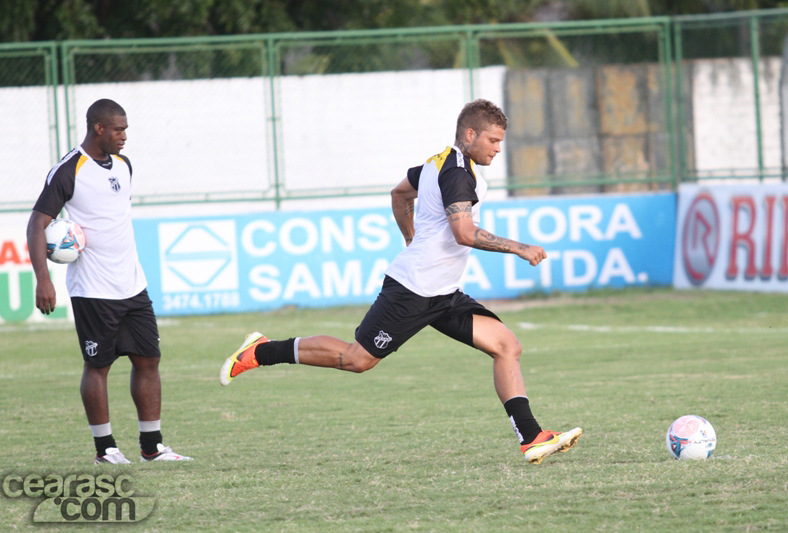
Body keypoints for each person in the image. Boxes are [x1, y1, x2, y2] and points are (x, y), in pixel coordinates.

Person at [220, 99, 581, 464]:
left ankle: (531, 437)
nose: (498, 148)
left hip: (443, 293)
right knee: (355, 359)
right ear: (470, 134)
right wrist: (519, 248)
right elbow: (464, 232)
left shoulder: (437, 162)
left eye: (501, 141)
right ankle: (261, 351)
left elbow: (400, 194)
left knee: (506, 346)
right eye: (493, 140)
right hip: (413, 291)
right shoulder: (456, 172)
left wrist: (412, 239)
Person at [27, 99, 192, 464]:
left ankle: (152, 447)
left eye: (126, 128)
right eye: (119, 129)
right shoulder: (69, 170)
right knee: (98, 367)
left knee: (149, 359)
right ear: (98, 128)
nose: (124, 136)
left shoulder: (124, 165)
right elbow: (37, 224)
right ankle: (106, 450)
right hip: (93, 288)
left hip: (132, 283)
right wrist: (44, 279)